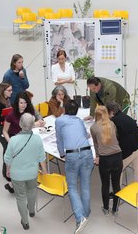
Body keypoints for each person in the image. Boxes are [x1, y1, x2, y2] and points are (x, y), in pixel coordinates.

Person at [4, 113, 47, 230]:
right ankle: (32, 211)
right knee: (32, 191)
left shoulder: (13, 140)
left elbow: (8, 158)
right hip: (32, 173)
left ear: (20, 124)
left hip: (17, 175)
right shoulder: (37, 139)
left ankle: (25, 221)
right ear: (33, 125)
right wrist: (45, 171)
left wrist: (8, 170)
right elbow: (41, 157)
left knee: (21, 197)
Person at [55, 99, 93, 234]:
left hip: (72, 156)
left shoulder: (59, 121)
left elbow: (59, 139)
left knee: (72, 186)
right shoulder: (79, 120)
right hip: (87, 153)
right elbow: (84, 135)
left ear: (64, 109)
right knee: (85, 184)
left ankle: (80, 217)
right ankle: (86, 213)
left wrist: (61, 153)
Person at [3, 91, 45, 193]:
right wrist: (10, 142)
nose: (23, 105)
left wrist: (38, 123)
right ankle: (14, 183)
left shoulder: (29, 111)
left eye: (25, 103)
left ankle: (16, 183)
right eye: (21, 103)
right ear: (17, 102)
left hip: (28, 139)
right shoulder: (11, 115)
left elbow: (29, 125)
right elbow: (4, 131)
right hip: (16, 140)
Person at [90, 106, 123, 216]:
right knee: (116, 184)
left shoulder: (94, 128)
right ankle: (115, 209)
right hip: (117, 157)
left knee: (105, 184)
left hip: (105, 159)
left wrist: (97, 156)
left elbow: (96, 145)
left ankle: (105, 208)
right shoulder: (112, 124)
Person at [106, 101, 138, 184]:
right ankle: (137, 190)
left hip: (131, 149)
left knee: (118, 168)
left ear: (111, 112)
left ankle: (117, 192)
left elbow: (112, 139)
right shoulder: (124, 116)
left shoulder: (113, 121)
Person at [0, 82, 13, 185]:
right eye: (9, 90)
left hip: (8, 127)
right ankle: (6, 173)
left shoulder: (7, 99)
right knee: (7, 150)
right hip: (1, 129)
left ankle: (8, 170)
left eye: (11, 90)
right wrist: (6, 116)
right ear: (3, 91)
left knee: (8, 149)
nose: (11, 92)